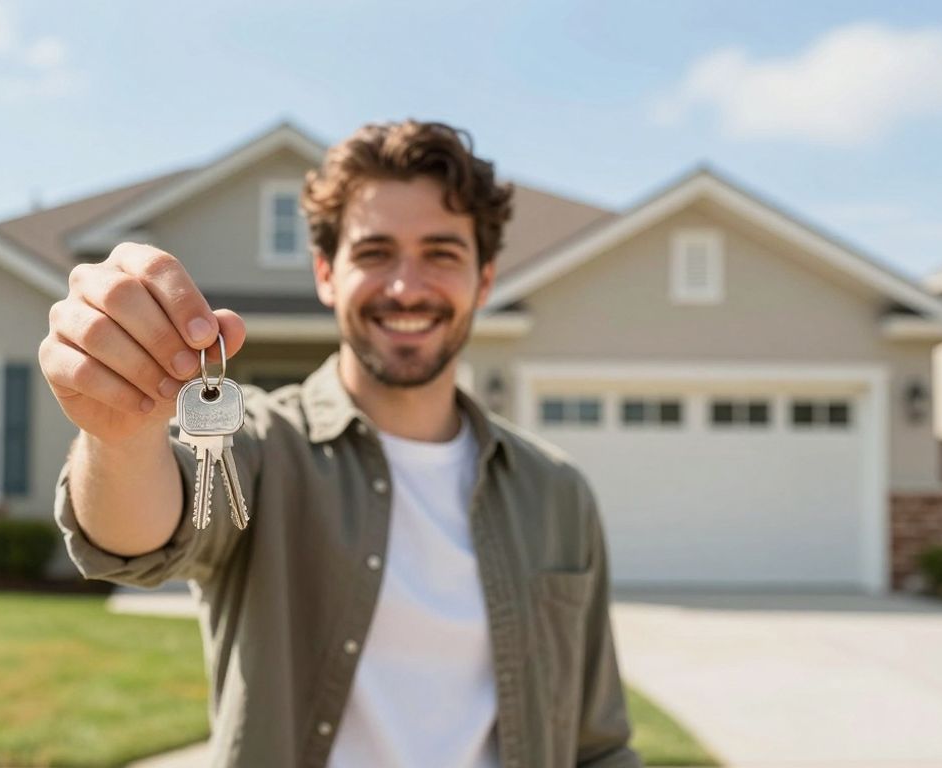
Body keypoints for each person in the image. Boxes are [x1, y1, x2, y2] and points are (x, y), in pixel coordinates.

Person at [39, 119, 642, 768]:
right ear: (326, 273)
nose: (406, 287)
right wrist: (122, 435)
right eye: (375, 252)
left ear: (485, 280)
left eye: (441, 253)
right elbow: (138, 536)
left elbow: (599, 746)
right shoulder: (264, 448)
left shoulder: (557, 493)